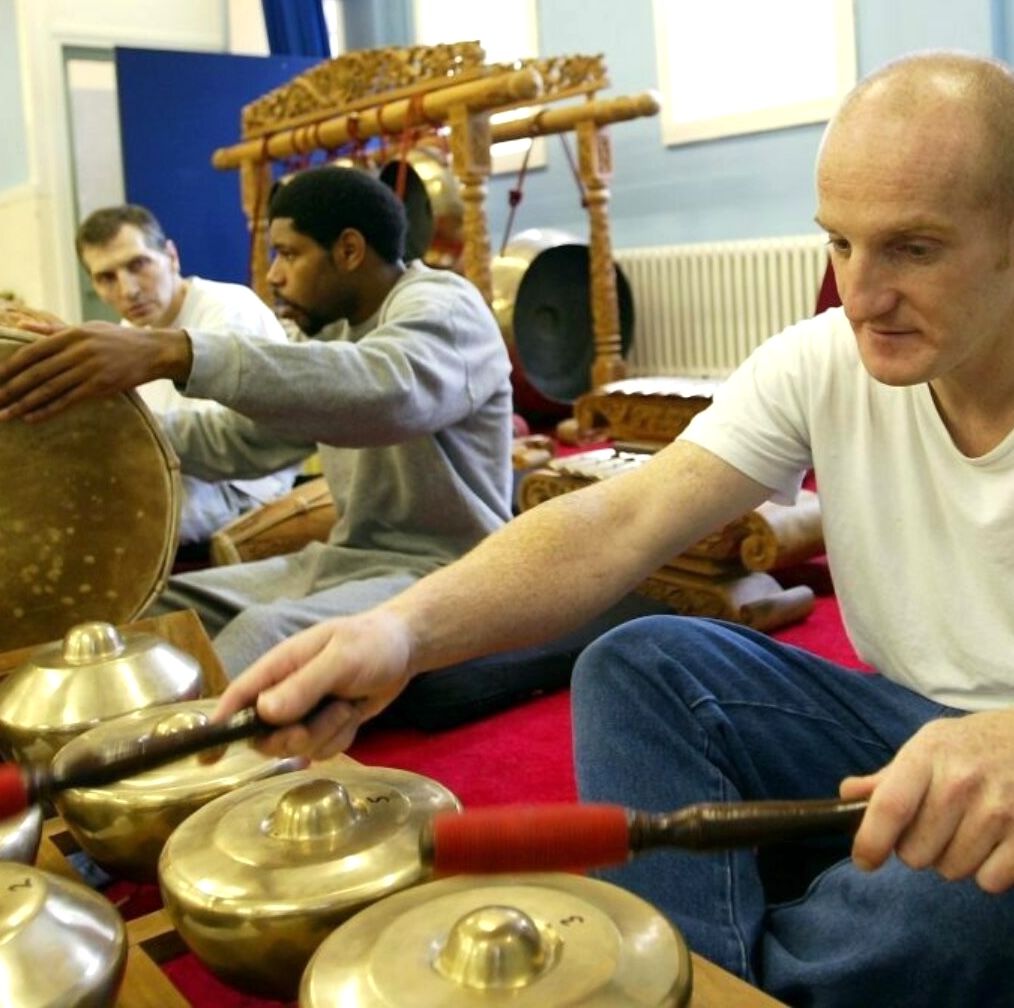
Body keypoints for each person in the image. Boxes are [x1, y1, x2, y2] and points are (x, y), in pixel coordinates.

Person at [188, 50, 1014, 1007]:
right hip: (902, 729)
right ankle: (711, 976)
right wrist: (400, 632)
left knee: (959, 901)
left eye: (912, 249)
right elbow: (620, 521)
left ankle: (745, 962)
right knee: (637, 663)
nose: (860, 298)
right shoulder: (826, 359)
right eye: (839, 243)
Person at [0, 166, 515, 678]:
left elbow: (388, 392)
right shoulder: (333, 331)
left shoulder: (444, 306)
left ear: (350, 251)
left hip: (451, 570)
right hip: (345, 562)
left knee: (262, 634)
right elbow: (241, 441)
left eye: (288, 254)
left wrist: (172, 352)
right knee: (143, 613)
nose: (273, 275)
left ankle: (172, 753)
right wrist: (93, 422)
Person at [75, 204, 301, 545]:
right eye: (107, 277)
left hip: (244, 489)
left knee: (99, 533)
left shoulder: (230, 308)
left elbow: (223, 445)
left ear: (171, 257)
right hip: (171, 480)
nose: (128, 290)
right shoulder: (126, 333)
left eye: (138, 265)